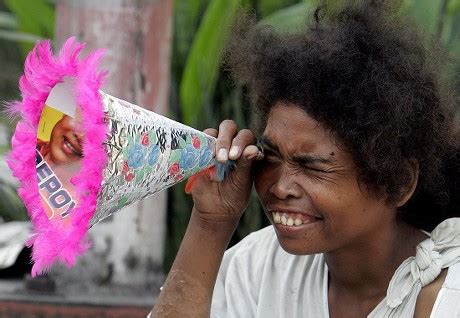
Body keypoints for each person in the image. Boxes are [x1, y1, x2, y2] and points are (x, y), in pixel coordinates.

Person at [151, 2, 459, 317]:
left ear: (399, 183)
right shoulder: (257, 268)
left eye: (311, 165)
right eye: (270, 155)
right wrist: (211, 223)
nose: (280, 187)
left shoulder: (448, 293)